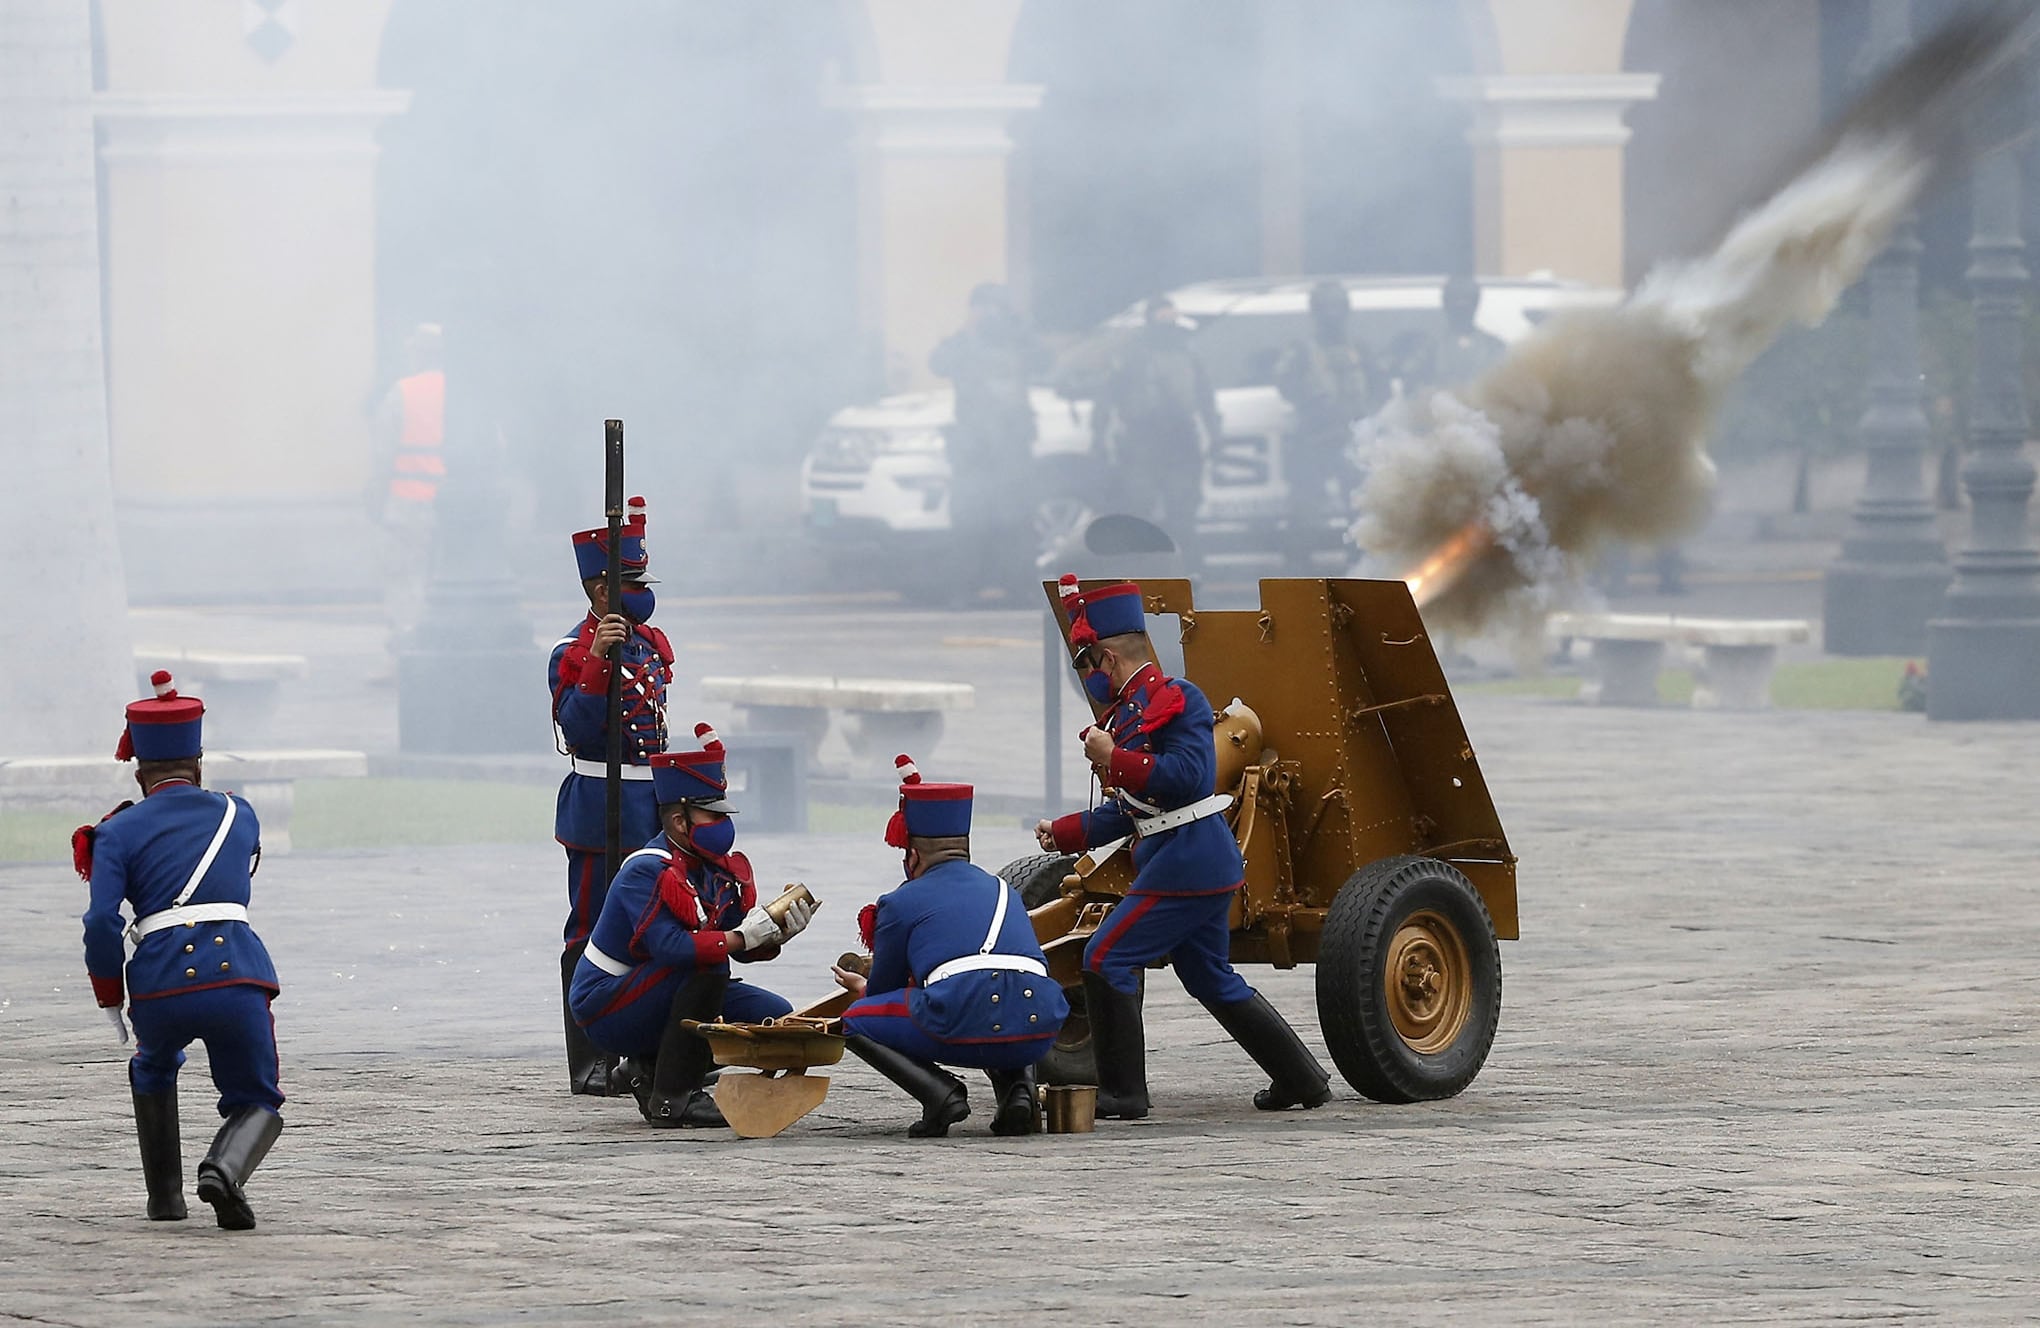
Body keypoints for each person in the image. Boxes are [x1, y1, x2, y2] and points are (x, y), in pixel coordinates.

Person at [1034, 575, 1330, 1120]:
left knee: (1105, 958)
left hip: (1188, 861)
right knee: (1210, 978)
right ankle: (1303, 1079)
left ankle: (1124, 1092)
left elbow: (1189, 779)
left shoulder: (1177, 700)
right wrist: (1067, 831)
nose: (1089, 676)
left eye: (1089, 663)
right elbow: (1135, 810)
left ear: (1107, 659)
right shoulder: (1125, 714)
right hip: (1182, 857)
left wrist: (1112, 757)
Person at [76, 671, 284, 1229]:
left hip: (159, 982)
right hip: (236, 976)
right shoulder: (239, 813)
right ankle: (222, 1168)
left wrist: (109, 994)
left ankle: (164, 1201)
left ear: (140, 772)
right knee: (257, 1098)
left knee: (151, 1066)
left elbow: (100, 919)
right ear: (198, 763)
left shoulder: (114, 833)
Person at [569, 725, 812, 1128]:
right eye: (712, 814)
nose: (722, 822)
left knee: (772, 1014)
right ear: (680, 821)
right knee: (707, 967)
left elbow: (735, 939)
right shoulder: (647, 869)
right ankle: (673, 1097)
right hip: (605, 1006)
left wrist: (773, 933)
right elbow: (672, 948)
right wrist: (738, 938)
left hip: (662, 988)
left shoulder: (710, 868)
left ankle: (648, 1067)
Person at [834, 755, 1069, 1138]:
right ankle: (1019, 1092)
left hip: (963, 1020)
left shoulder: (899, 902)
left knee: (856, 1021)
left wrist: (863, 992)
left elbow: (885, 991)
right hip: (1038, 1028)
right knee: (1005, 993)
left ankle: (940, 1095)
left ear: (912, 854)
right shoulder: (1004, 889)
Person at [548, 496, 672, 1096]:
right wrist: (598, 658)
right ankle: (590, 1058)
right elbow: (577, 727)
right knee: (592, 926)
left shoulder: (649, 645)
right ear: (600, 590)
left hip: (650, 804)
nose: (640, 590)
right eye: (629, 580)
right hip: (600, 805)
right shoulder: (571, 652)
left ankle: (641, 1049)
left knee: (654, 923)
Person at [929, 284, 1049, 601]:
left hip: (1012, 446)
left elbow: (1045, 363)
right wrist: (966, 333)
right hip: (974, 449)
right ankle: (962, 590)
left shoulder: (1018, 339)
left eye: (994, 307)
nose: (989, 315)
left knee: (1018, 518)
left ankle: (1020, 587)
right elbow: (938, 364)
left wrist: (1020, 326)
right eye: (982, 308)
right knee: (969, 518)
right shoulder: (965, 342)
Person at [1103, 296, 1221, 567]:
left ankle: (1188, 573)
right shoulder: (1132, 357)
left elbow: (1205, 398)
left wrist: (1215, 434)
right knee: (1139, 511)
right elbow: (1109, 397)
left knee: (1183, 513)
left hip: (1180, 442)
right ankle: (1139, 572)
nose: (1167, 325)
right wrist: (1101, 437)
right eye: (1162, 318)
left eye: (1171, 318)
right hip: (1142, 442)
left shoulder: (1188, 355)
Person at [1275, 279, 1378, 570]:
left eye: (1337, 306)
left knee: (1360, 510)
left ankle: (1361, 570)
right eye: (1326, 307)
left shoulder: (1359, 348)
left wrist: (1367, 419)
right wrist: (1313, 402)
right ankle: (1297, 575)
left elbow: (1380, 385)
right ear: (1315, 312)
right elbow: (1284, 384)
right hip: (1313, 439)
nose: (1332, 313)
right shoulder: (1301, 349)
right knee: (1303, 513)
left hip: (1351, 439)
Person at [371, 322, 445, 632]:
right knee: (441, 580)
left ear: (418, 353)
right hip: (451, 509)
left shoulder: (403, 392)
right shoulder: (466, 393)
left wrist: (376, 495)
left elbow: (383, 453)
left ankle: (406, 647)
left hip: (407, 504)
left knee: (405, 579)